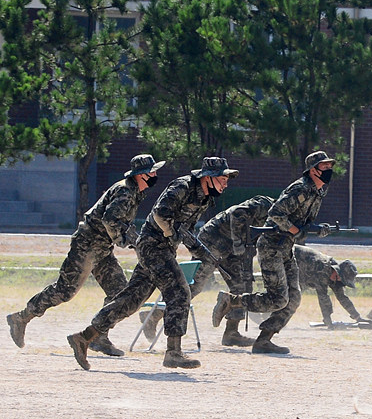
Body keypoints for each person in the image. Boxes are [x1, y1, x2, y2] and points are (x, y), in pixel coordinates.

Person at [67, 156, 238, 370]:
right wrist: (172, 232)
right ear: (208, 178)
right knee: (179, 292)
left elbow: (185, 228)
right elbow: (160, 214)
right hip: (153, 246)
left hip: (163, 248)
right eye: (222, 179)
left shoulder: (204, 197)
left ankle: (84, 337)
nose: (225, 183)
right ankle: (173, 352)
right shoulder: (183, 186)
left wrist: (196, 247)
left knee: (130, 300)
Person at [6, 154, 164, 356]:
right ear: (141, 175)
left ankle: (99, 337)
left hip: (102, 248)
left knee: (120, 292)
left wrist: (130, 239)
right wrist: (123, 241)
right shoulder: (125, 191)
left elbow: (120, 222)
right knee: (65, 291)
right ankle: (21, 317)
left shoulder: (134, 191)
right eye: (152, 172)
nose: (155, 175)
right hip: (87, 245)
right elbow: (110, 220)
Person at [212, 151, 336, 355]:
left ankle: (263, 340)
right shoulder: (300, 189)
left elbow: (301, 221)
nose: (329, 170)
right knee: (278, 299)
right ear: (313, 170)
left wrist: (317, 228)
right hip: (272, 247)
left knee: (293, 299)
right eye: (324, 167)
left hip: (286, 248)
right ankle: (231, 301)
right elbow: (276, 213)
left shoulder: (318, 191)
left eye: (330, 166)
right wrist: (296, 230)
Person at [140, 195, 275, 347]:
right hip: (212, 241)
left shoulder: (277, 220)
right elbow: (237, 214)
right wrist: (239, 243)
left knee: (240, 286)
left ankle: (231, 333)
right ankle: (153, 316)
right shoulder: (264, 204)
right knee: (193, 286)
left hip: (231, 250)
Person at [293, 244, 363, 327]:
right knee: (290, 298)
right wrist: (327, 319)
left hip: (299, 273)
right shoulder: (323, 268)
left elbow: (342, 297)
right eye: (339, 278)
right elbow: (323, 296)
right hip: (288, 258)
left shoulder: (336, 277)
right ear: (336, 271)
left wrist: (358, 318)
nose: (338, 281)